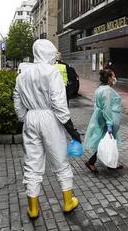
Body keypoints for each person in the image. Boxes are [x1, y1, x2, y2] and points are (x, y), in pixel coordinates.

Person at [13, 39, 81, 219]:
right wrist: (71, 129)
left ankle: (33, 208)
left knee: (32, 164)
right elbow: (59, 104)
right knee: (60, 161)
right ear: (48, 53)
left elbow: (17, 103)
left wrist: (25, 118)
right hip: (50, 118)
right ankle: (67, 202)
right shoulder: (52, 73)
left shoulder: (22, 76)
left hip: (31, 118)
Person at [84, 69, 123, 174]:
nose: (115, 78)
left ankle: (111, 163)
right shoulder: (106, 90)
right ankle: (92, 162)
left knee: (105, 140)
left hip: (101, 117)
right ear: (109, 78)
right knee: (104, 141)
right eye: (113, 76)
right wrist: (109, 123)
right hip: (106, 119)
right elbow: (107, 108)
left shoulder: (101, 88)